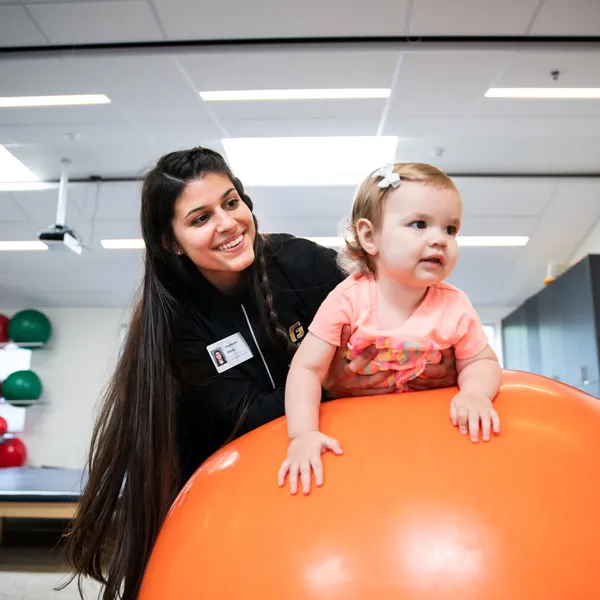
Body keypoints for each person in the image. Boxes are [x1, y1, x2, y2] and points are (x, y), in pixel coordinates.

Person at [63, 147, 458, 600]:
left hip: (333, 463)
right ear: (171, 241)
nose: (228, 223)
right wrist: (330, 384)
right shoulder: (177, 325)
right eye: (200, 218)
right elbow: (243, 415)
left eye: (231, 203)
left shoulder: (301, 262)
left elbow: (386, 314)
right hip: (232, 485)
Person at [278, 162, 502, 495]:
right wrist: (303, 434)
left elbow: (481, 361)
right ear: (370, 237)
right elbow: (307, 369)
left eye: (450, 229)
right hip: (359, 435)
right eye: (420, 224)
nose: (439, 240)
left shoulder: (454, 305)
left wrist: (475, 392)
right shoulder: (348, 300)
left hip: (428, 434)